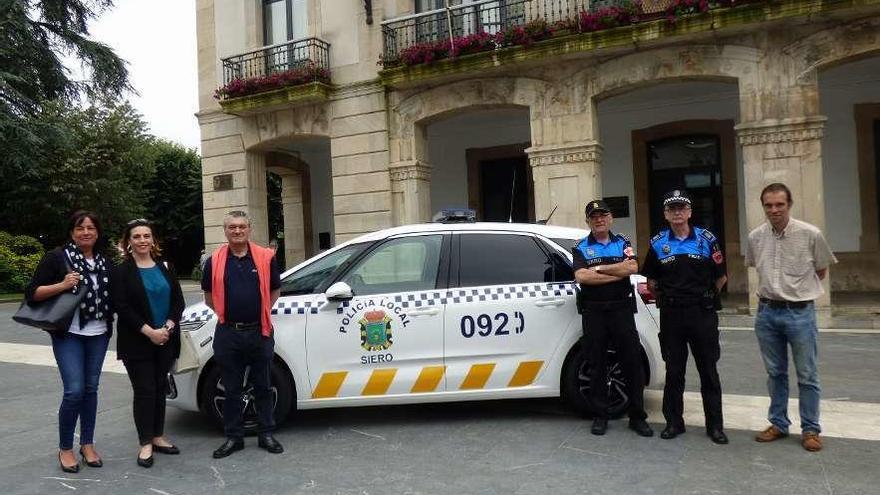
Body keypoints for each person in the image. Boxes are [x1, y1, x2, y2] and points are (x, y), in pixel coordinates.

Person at [745, 183, 837, 452]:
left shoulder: (811, 234)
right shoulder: (755, 237)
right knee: (775, 373)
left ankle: (810, 428)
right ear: (763, 206)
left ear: (789, 205)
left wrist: (796, 290)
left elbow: (821, 271)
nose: (774, 210)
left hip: (799, 313)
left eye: (779, 204)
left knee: (807, 374)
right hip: (766, 313)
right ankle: (778, 423)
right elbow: (754, 265)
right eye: (769, 205)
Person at [24, 211, 114, 473]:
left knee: (91, 390)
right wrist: (62, 285)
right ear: (72, 232)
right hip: (69, 334)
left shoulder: (105, 262)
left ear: (97, 232)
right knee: (74, 391)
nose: (86, 232)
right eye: (80, 228)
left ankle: (87, 444)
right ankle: (65, 447)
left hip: (99, 333)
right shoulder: (58, 258)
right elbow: (33, 294)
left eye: (91, 228)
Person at [641, 190, 729, 445]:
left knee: (708, 371)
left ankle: (715, 426)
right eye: (672, 209)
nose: (677, 212)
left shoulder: (706, 239)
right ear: (666, 214)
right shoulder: (658, 242)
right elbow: (652, 281)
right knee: (674, 371)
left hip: (702, 313)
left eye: (682, 208)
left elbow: (721, 276)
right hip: (672, 315)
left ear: (690, 212)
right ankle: (673, 422)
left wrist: (705, 298)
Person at [202, 210, 283, 458]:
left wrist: (260, 314)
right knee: (232, 389)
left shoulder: (266, 258)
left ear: (249, 229)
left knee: (263, 385)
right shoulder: (214, 261)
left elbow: (275, 291)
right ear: (225, 231)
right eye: (232, 227)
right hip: (228, 333)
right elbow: (208, 298)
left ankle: (266, 433)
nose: (237, 231)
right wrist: (229, 316)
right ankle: (233, 437)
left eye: (241, 227)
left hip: (260, 331)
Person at [573, 200, 652, 438]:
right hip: (594, 312)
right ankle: (600, 416)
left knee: (631, 362)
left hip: (621, 311)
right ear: (588, 221)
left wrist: (598, 270)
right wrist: (613, 272)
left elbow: (632, 267)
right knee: (596, 364)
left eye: (603, 215)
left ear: (610, 218)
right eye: (593, 216)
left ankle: (637, 417)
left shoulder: (623, 242)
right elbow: (582, 277)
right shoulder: (581, 247)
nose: (599, 219)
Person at [111, 219, 186, 467]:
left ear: (153, 240)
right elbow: (121, 306)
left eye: (147, 236)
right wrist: (149, 332)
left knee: (158, 388)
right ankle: (145, 442)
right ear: (128, 242)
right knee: (144, 391)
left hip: (165, 338)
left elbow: (178, 302)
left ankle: (158, 435)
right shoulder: (121, 271)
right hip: (137, 342)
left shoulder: (165, 267)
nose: (142, 240)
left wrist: (167, 328)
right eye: (137, 236)